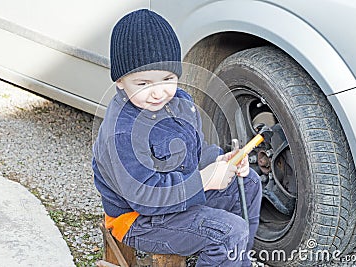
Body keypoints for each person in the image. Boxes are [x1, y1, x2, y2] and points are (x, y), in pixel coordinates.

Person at [92, 9, 262, 267]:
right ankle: (225, 247)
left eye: (167, 79)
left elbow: (195, 151)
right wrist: (203, 181)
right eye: (143, 83)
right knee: (229, 232)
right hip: (139, 219)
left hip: (180, 197)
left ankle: (234, 260)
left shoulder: (180, 103)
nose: (158, 92)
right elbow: (145, 197)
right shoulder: (121, 131)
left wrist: (224, 160)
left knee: (248, 183)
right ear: (120, 82)